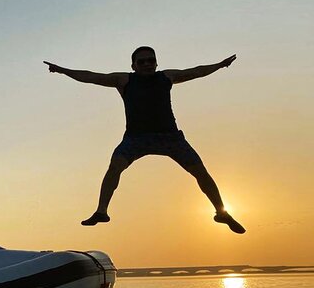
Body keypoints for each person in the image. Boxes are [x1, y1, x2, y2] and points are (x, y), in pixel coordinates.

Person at [44, 47, 246, 234]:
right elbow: (91, 76)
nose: (147, 64)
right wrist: (63, 70)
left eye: (151, 60)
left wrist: (219, 65)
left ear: (156, 63)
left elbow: (195, 71)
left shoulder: (167, 76)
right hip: (136, 138)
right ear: (133, 66)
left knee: (201, 172)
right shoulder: (123, 80)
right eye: (142, 62)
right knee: (115, 166)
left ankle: (222, 213)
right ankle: (101, 212)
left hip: (169, 137)